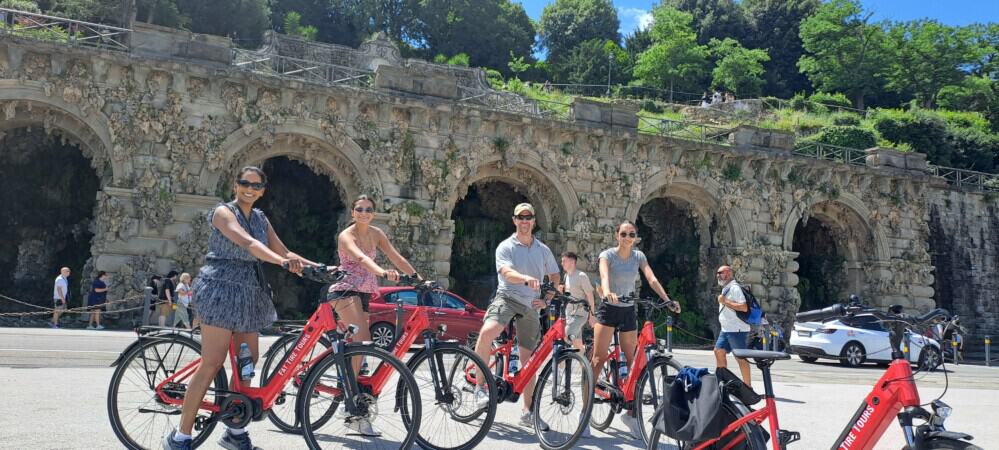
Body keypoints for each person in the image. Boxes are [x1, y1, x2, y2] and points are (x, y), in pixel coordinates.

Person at [163, 166, 315, 450]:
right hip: (219, 288)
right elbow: (247, 243)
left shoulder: (260, 217)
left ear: (262, 191)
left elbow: (284, 251)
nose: (250, 189)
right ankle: (180, 436)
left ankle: (234, 432)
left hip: (249, 293)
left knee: (247, 364)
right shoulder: (223, 212)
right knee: (212, 361)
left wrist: (318, 267)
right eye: (245, 183)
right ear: (236, 185)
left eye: (256, 186)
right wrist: (280, 263)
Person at [326, 194, 418, 436]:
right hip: (345, 290)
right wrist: (382, 272)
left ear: (373, 213)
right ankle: (352, 404)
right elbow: (361, 258)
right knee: (363, 343)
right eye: (359, 209)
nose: (364, 212)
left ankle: (349, 388)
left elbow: (396, 256)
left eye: (368, 209)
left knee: (358, 346)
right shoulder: (347, 235)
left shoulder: (377, 233)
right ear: (353, 213)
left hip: (365, 293)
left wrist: (419, 279)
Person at [471, 203, 560, 429]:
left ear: (533, 221)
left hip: (531, 306)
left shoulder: (543, 249)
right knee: (487, 333)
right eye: (520, 217)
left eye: (528, 217)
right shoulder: (505, 246)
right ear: (514, 220)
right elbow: (506, 273)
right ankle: (479, 388)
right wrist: (525, 278)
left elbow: (555, 275)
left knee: (528, 362)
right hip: (507, 297)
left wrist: (547, 299)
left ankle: (528, 412)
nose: (524, 221)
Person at [592, 221, 680, 439]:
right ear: (617, 235)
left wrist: (667, 300)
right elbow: (603, 276)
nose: (627, 237)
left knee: (633, 362)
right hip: (609, 309)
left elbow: (651, 278)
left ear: (635, 237)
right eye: (624, 233)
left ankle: (631, 414)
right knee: (598, 358)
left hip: (628, 309)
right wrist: (608, 291)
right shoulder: (608, 255)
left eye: (631, 234)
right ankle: (586, 412)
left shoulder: (638, 256)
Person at [714, 265, 752, 388]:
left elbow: (744, 307)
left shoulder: (735, 288)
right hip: (726, 329)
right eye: (717, 273)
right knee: (718, 351)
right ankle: (722, 383)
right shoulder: (726, 288)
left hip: (737, 329)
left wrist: (725, 301)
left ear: (729, 273)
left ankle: (748, 386)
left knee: (740, 358)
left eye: (721, 273)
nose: (718, 275)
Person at [559, 251, 595, 354]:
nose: (562, 264)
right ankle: (586, 365)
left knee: (565, 335)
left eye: (564, 261)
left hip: (579, 314)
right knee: (578, 345)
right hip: (569, 314)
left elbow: (590, 295)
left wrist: (592, 315)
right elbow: (568, 295)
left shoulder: (581, 276)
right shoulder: (566, 276)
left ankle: (557, 363)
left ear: (572, 262)